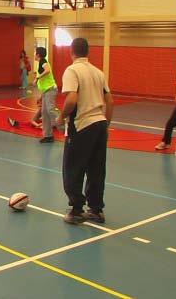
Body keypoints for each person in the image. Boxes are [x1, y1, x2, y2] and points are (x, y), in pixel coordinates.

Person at [56, 38, 113, 225]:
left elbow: (72, 99)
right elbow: (109, 101)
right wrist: (107, 125)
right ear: (88, 52)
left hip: (82, 125)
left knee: (72, 168)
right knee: (97, 169)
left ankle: (77, 209)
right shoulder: (98, 72)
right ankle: (96, 210)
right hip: (100, 124)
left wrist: (61, 117)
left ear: (72, 52)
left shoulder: (72, 71)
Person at [33, 46, 58, 143]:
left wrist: (37, 78)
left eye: (35, 53)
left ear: (38, 55)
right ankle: (48, 136)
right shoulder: (41, 62)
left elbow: (47, 71)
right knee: (44, 112)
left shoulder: (43, 61)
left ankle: (65, 125)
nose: (34, 54)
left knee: (50, 110)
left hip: (51, 89)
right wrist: (41, 96)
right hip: (46, 92)